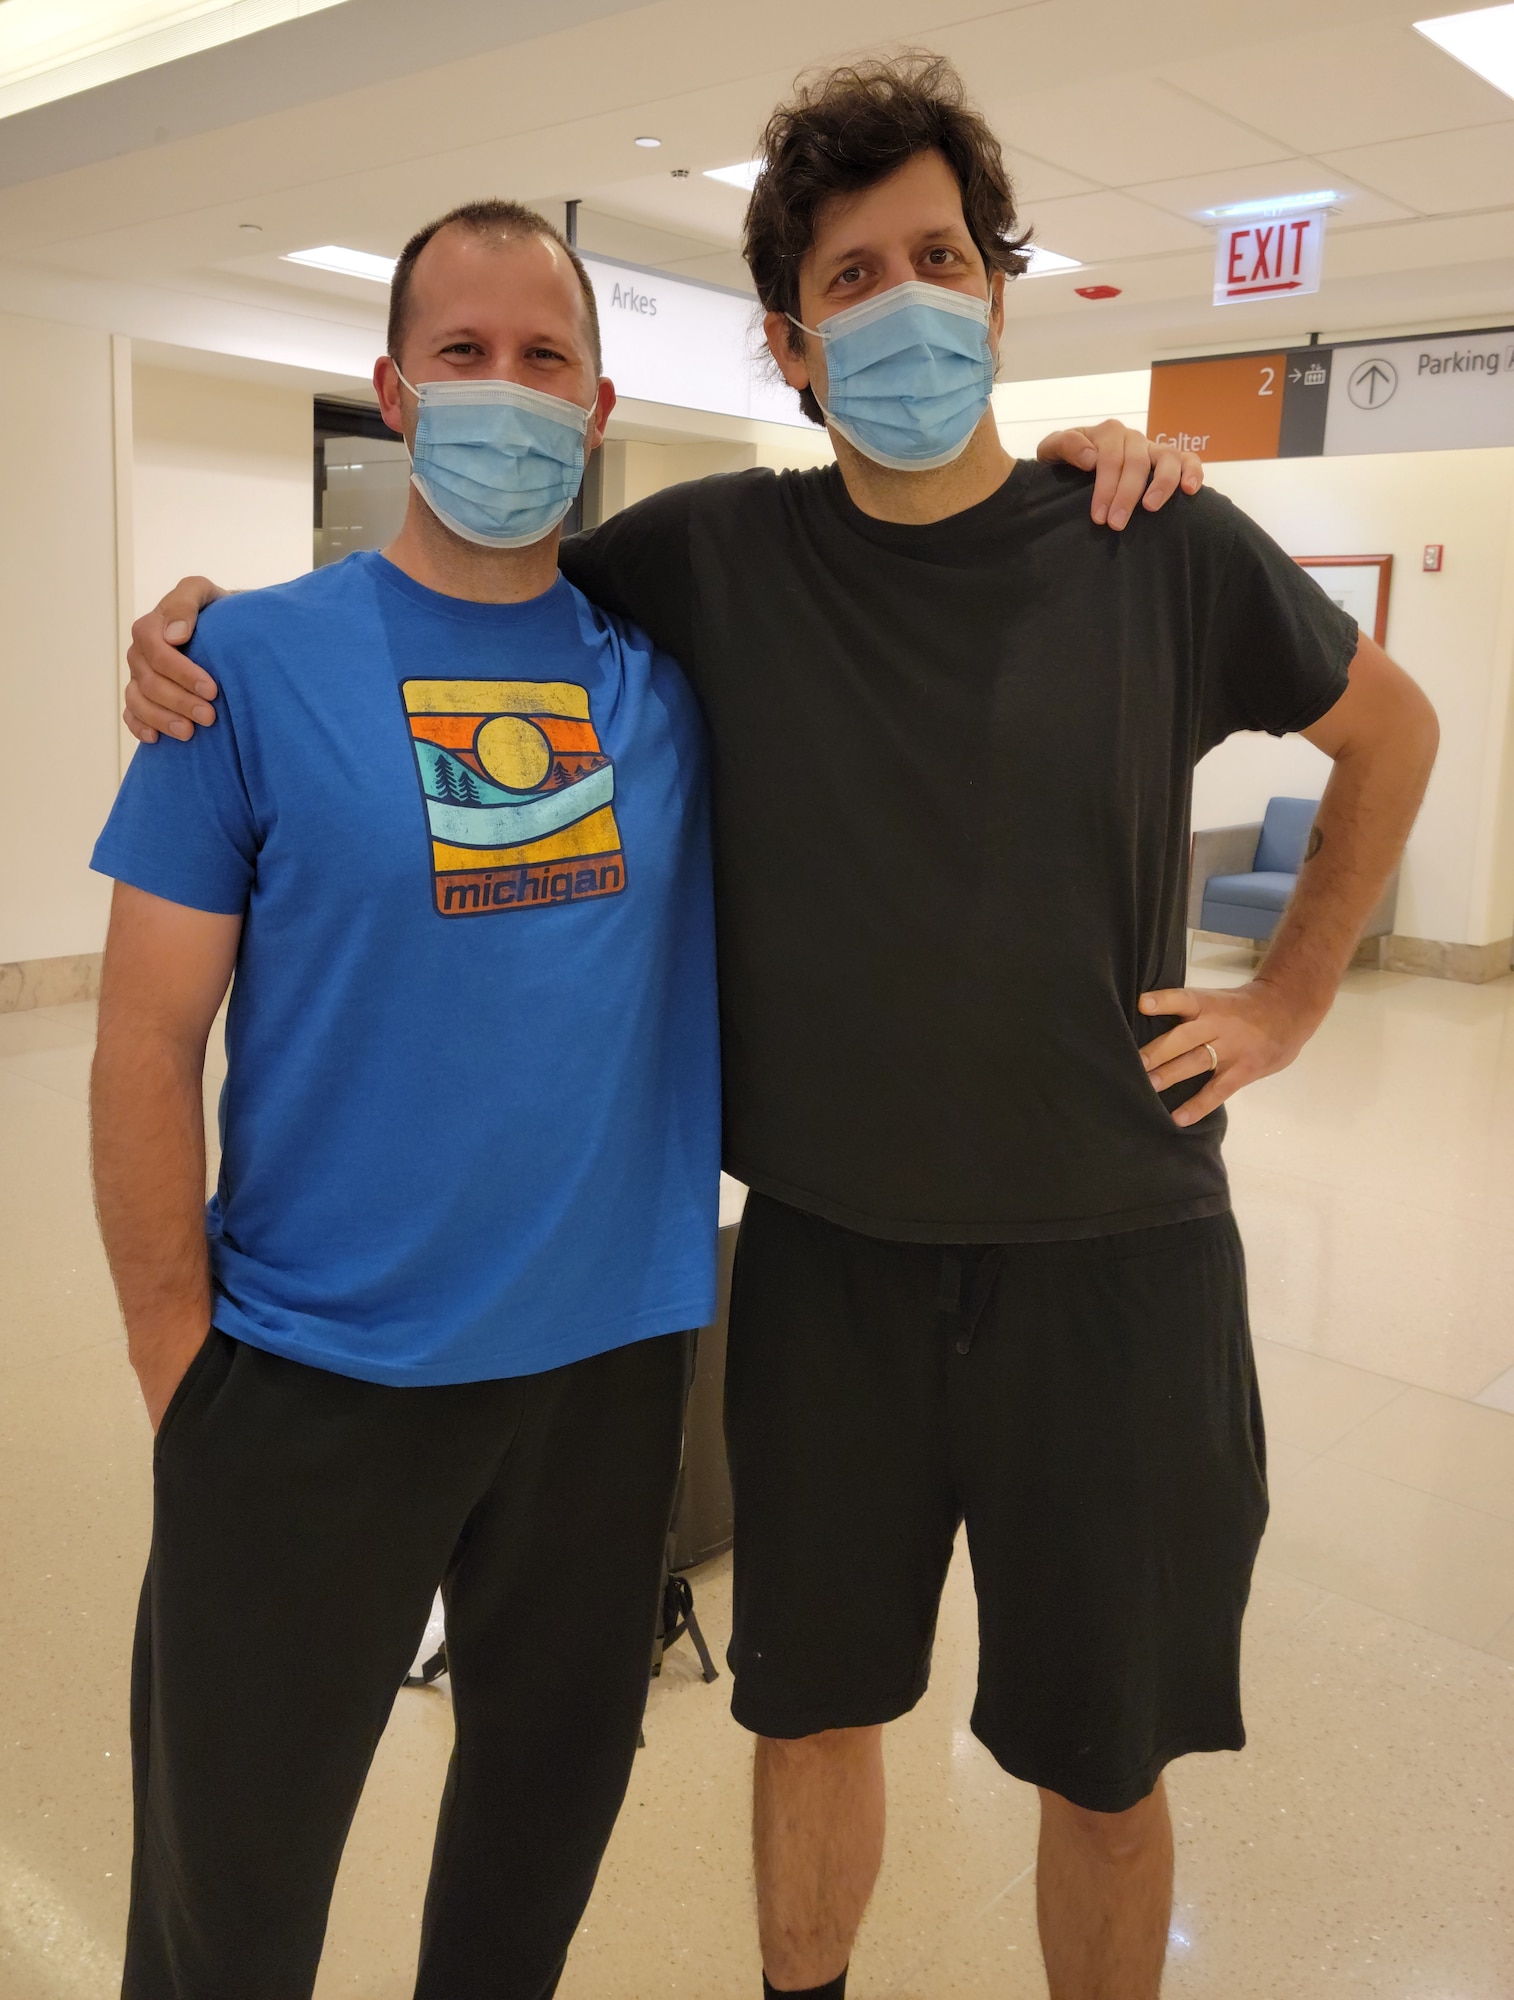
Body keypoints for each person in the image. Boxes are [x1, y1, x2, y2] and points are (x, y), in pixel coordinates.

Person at [123, 52, 1440, 2000]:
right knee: (806, 1715)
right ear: (788, 341)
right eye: (848, 276)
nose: (900, 301)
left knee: (1100, 1758)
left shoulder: (1152, 542)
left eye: (935, 256)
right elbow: (462, 587)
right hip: (822, 1262)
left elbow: (1387, 731)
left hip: (1117, 1265)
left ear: (994, 286)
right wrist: (197, 631)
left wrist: (1295, 991)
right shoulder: (710, 563)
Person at [91, 200, 725, 2000]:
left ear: (597, 406)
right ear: (390, 389)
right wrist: (178, 1366)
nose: (504, 393)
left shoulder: (669, 680)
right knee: (230, 1892)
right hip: (309, 1377)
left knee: (534, 1856)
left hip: (608, 1379)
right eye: (463, 354)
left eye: (544, 360)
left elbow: (907, 566)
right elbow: (144, 1039)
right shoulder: (243, 670)